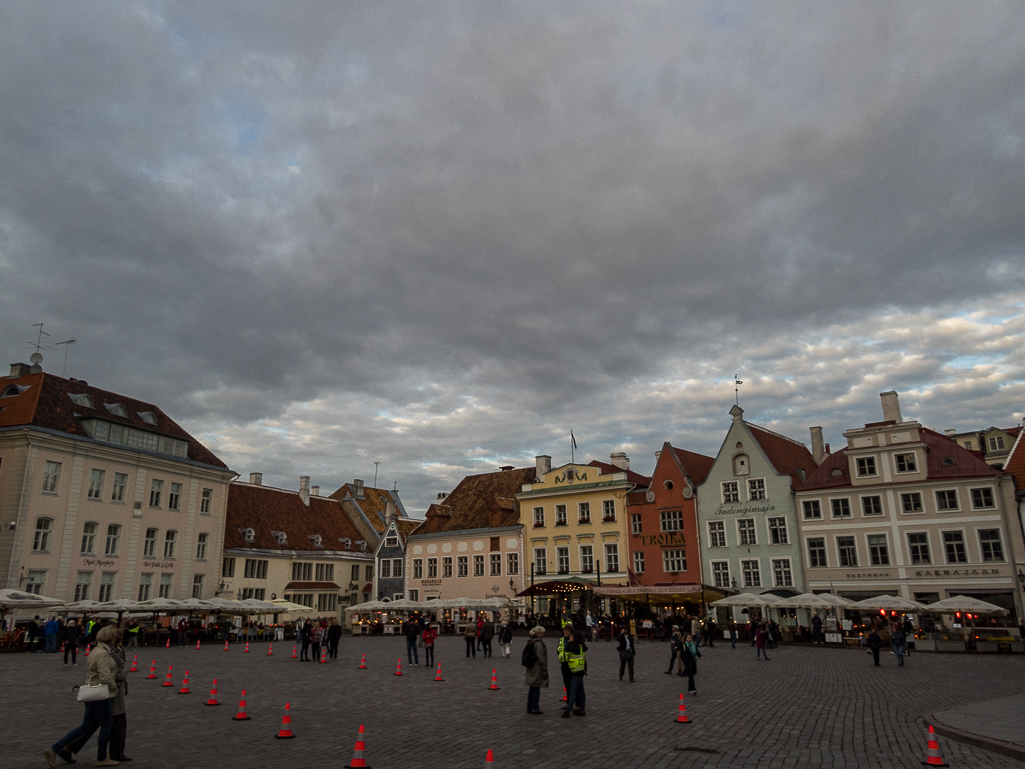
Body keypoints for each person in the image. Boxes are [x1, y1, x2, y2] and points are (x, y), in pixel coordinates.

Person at [45, 625, 121, 767]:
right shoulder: (103, 653)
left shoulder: (95, 650)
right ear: (109, 638)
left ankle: (55, 749)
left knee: (86, 726)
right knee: (106, 725)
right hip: (100, 693)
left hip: (90, 691)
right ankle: (102, 757)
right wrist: (114, 686)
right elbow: (104, 676)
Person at [561, 629, 587, 718]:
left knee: (572, 692)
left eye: (571, 636)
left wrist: (569, 642)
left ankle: (567, 711)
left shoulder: (575, 647)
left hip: (575, 672)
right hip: (580, 671)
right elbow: (584, 659)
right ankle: (582, 710)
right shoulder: (581, 646)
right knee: (581, 692)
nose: (570, 637)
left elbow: (566, 648)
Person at [524, 626, 548, 715]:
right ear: (538, 633)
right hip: (537, 668)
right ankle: (535, 707)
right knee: (536, 687)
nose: (543, 634)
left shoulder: (531, 641)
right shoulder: (539, 643)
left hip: (531, 667)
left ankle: (529, 707)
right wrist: (544, 666)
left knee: (532, 687)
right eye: (542, 633)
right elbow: (541, 657)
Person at [557, 622, 573, 699]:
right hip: (563, 664)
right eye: (565, 631)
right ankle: (568, 702)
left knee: (572, 684)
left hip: (572, 664)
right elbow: (558, 650)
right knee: (566, 683)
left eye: (568, 631)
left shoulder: (573, 640)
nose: (566, 632)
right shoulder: (561, 640)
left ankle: (574, 703)